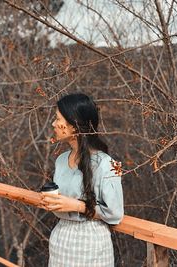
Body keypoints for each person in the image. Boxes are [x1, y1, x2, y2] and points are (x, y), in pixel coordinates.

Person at [41, 93, 124, 267]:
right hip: (60, 239)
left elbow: (115, 213)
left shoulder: (107, 164)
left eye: (57, 119)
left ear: (74, 126)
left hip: (91, 243)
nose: (53, 124)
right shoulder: (61, 160)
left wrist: (76, 205)